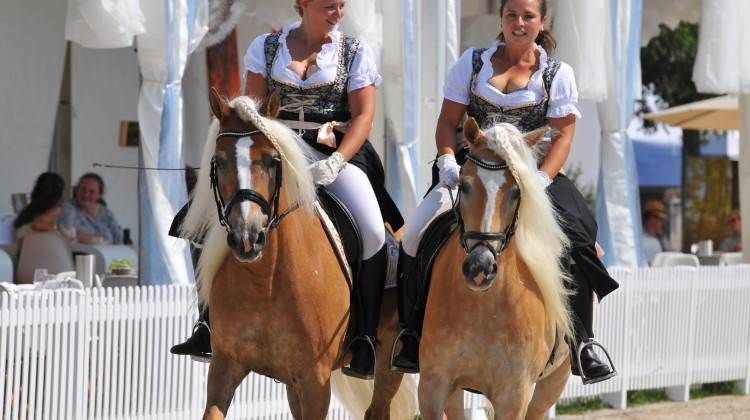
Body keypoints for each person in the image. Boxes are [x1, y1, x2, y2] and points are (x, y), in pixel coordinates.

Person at [171, 0, 404, 380]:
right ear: (304, 4)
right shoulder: (265, 47)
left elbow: (363, 115)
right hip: (273, 153)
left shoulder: (355, 51)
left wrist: (337, 161)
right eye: (329, 5)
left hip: (333, 153)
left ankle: (363, 337)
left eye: (342, 5)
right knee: (200, 220)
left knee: (374, 232)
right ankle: (207, 323)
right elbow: (254, 115)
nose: (338, 13)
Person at [390, 0, 618, 383]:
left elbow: (563, 137)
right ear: (501, 18)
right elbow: (447, 121)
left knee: (577, 238)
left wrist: (541, 180)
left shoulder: (557, 74)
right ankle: (412, 332)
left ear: (542, 21)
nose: (519, 22)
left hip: (535, 173)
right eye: (511, 14)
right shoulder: (472, 63)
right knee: (413, 237)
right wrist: (447, 160)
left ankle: (583, 341)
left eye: (528, 16)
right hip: (474, 171)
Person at [59, 173, 122, 244]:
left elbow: (119, 240)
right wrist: (102, 241)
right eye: (83, 190)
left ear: (99, 194)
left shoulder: (107, 213)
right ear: (77, 190)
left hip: (110, 251)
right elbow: (69, 233)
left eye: (91, 191)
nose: (86, 194)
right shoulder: (68, 208)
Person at [13, 172, 67, 253]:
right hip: (37, 257)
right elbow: (37, 225)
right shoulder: (55, 209)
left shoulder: (30, 210)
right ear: (62, 191)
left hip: (20, 257)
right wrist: (59, 233)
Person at [642, 199, 674, 263]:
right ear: (651, 218)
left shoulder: (661, 235)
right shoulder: (640, 234)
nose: (662, 221)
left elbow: (672, 253)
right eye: (660, 218)